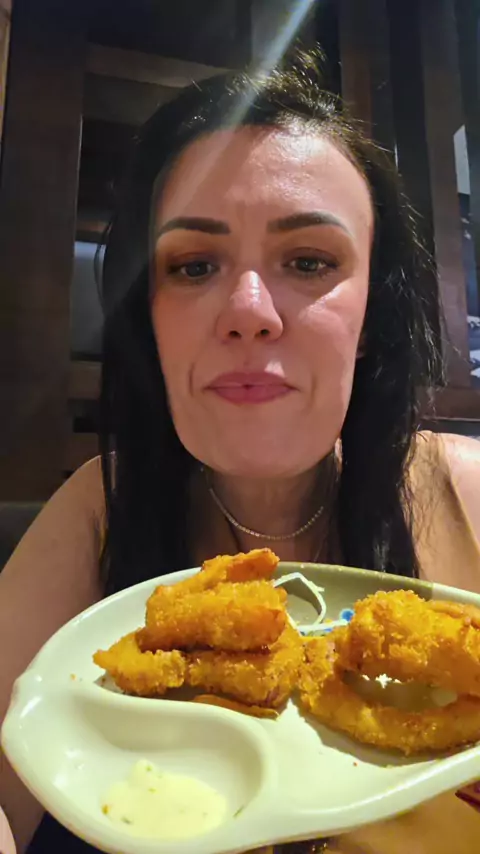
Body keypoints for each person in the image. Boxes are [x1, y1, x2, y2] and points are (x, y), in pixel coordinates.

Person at [1, 47, 480, 854]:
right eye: (194, 265)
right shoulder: (96, 509)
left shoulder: (467, 492)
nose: (249, 310)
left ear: (371, 318)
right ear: (149, 321)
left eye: (309, 262)